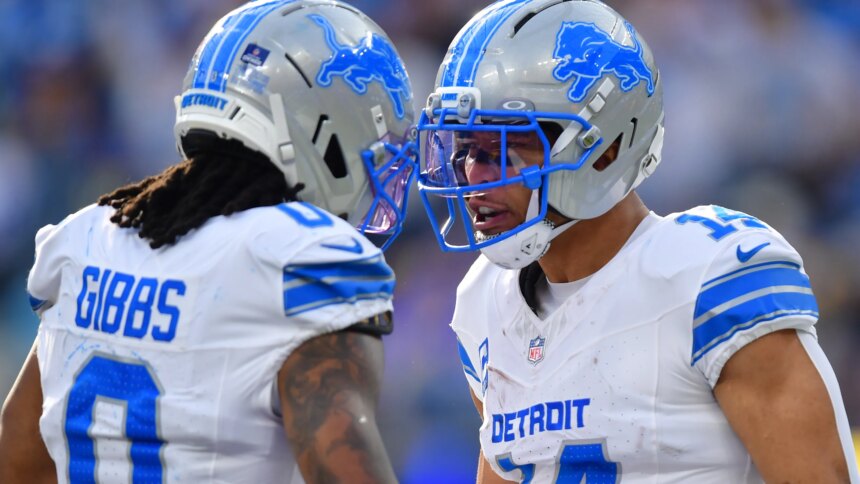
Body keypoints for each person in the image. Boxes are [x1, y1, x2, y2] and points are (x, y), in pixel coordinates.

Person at [415, 0, 858, 482]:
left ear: (605, 150)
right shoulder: (485, 300)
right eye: (464, 147)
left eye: (503, 147)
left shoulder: (709, 275)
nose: (474, 176)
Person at [0, 1, 417, 482]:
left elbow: (17, 462)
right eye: (377, 151)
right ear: (324, 136)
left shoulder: (88, 237)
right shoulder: (302, 259)